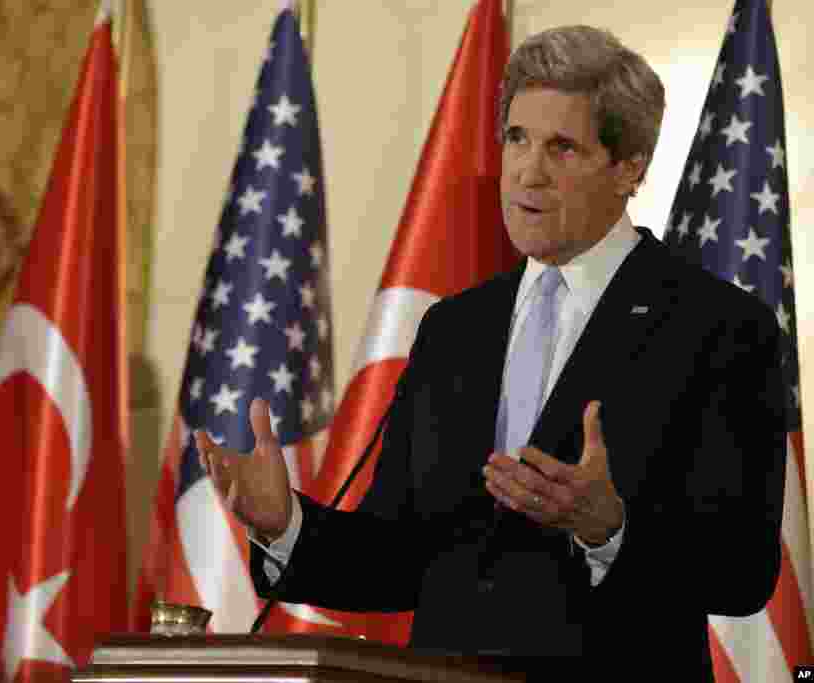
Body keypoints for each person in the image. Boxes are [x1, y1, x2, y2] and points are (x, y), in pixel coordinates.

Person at [195, 25, 786, 680]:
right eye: (517, 138)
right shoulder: (456, 327)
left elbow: (742, 568)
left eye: (562, 148)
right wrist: (286, 525)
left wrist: (609, 528)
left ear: (630, 167)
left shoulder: (718, 326)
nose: (528, 171)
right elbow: (402, 553)